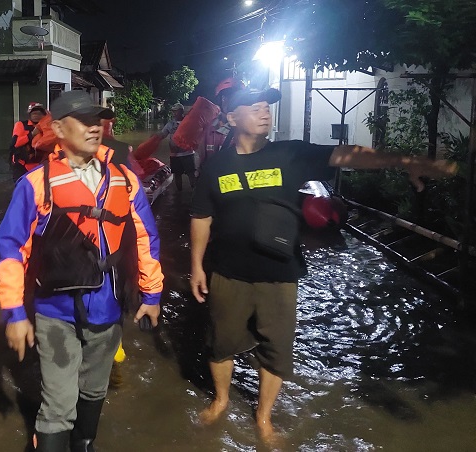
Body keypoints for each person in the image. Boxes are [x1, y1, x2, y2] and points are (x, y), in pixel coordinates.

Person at [189, 88, 457, 441]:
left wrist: (404, 160)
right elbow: (201, 217)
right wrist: (196, 266)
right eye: (254, 107)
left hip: (280, 275)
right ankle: (221, 401)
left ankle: (264, 418)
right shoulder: (215, 167)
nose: (265, 112)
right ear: (231, 118)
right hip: (228, 273)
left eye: (267, 106)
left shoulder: (290, 152)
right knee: (221, 343)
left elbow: (348, 155)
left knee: (276, 350)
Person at [0, 90, 164, 451]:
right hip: (56, 312)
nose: (94, 127)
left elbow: (146, 238)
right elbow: (11, 248)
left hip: (109, 307)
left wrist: (151, 294)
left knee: (95, 388)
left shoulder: (124, 179)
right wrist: (14, 313)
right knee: (58, 404)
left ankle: (84, 443)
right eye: (84, 120)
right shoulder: (36, 184)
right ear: (58, 127)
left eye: (97, 120)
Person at [196, 78, 243, 169]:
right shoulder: (209, 129)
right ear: (220, 99)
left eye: (236, 97)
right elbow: (202, 160)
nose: (230, 100)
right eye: (225, 96)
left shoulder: (248, 128)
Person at [156, 102, 196, 191]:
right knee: (177, 175)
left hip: (188, 153)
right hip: (175, 155)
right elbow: (163, 134)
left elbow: (196, 134)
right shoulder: (170, 124)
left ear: (181, 111)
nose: (174, 113)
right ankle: (179, 195)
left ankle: (194, 194)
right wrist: (154, 138)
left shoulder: (189, 122)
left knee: (191, 174)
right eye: (173, 111)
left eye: (176, 111)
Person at [10, 101, 48, 181]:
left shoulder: (46, 126)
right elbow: (15, 144)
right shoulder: (21, 125)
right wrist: (31, 135)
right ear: (29, 115)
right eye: (34, 113)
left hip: (40, 164)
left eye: (39, 113)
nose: (36, 116)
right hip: (22, 165)